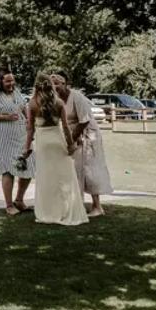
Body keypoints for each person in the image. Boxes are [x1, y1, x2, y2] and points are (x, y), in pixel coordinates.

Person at [22, 74, 88, 226]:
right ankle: (65, 210)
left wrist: (27, 148)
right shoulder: (58, 103)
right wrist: (70, 144)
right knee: (64, 177)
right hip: (57, 140)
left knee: (47, 178)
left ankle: (48, 211)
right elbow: (65, 127)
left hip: (43, 143)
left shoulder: (32, 104)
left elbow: (30, 129)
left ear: (36, 86)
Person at [51, 72, 112, 216]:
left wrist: (72, 139)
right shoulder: (56, 99)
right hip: (72, 134)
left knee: (89, 170)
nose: (55, 87)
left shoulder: (77, 97)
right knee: (75, 169)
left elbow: (84, 121)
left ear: (65, 84)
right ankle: (76, 204)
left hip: (88, 134)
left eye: (58, 84)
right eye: (52, 84)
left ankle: (97, 206)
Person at [0, 67, 32, 215]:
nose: (11, 83)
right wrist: (6, 117)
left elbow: (23, 107)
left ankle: (19, 200)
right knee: (9, 169)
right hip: (2, 136)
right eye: (8, 81)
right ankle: (9, 205)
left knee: (27, 166)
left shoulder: (15, 92)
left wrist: (29, 120)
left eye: (12, 80)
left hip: (20, 135)